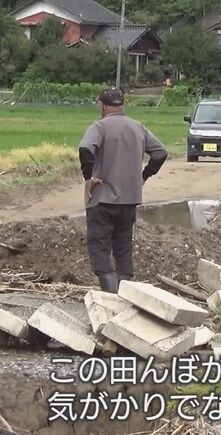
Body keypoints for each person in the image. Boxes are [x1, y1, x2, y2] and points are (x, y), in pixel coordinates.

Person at [79, 87, 168, 292]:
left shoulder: (99, 127)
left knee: (99, 248)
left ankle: (111, 293)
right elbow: (160, 153)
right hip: (129, 200)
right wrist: (143, 176)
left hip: (102, 199)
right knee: (123, 247)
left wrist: (88, 178)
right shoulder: (138, 127)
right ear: (122, 105)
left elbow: (85, 149)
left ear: (102, 106)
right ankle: (125, 293)